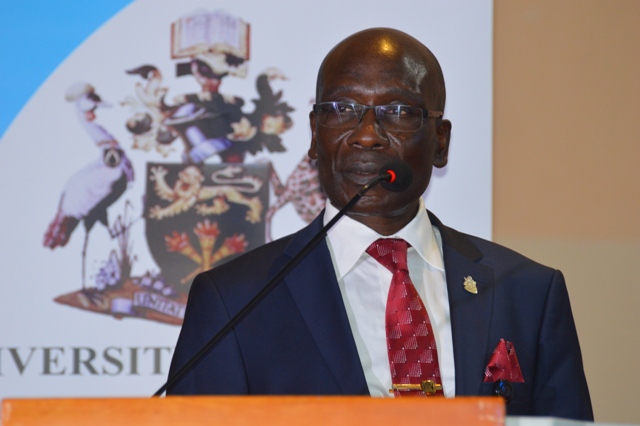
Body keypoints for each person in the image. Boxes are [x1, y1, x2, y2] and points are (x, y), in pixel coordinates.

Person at [167, 27, 593, 420]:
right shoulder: (234, 302)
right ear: (314, 135)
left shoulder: (528, 293)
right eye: (342, 109)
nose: (367, 134)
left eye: (398, 111)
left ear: (440, 141)